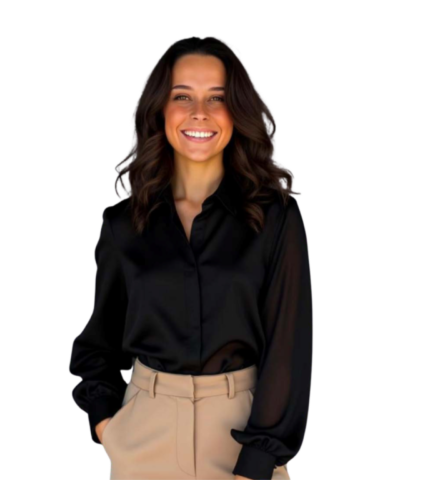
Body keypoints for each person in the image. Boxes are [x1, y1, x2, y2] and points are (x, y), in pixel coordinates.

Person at [68, 36, 313, 480]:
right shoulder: (123, 225)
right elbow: (98, 342)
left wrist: (259, 461)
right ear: (160, 110)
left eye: (217, 98)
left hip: (242, 430)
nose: (199, 112)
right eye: (182, 96)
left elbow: (288, 350)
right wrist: (108, 423)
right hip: (146, 431)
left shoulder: (275, 217)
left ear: (236, 111)